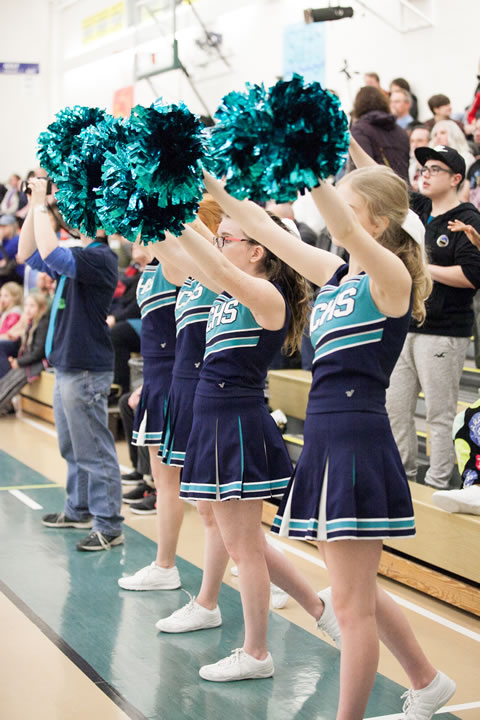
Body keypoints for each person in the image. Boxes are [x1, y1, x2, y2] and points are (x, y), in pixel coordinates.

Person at [203, 163, 454, 718]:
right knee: (355, 591)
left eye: (346, 203)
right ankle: (428, 681)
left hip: (357, 439)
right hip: (323, 437)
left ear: (378, 221)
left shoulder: (391, 278)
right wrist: (207, 183)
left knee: (350, 604)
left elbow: (345, 230)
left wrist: (313, 165)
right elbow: (262, 228)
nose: (332, 211)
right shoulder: (340, 277)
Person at [17, 177, 124, 551]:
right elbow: (26, 254)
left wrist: (45, 204)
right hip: (68, 363)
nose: (70, 216)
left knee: (93, 448)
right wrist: (35, 204)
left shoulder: (98, 258)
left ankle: (109, 524)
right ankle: (78, 508)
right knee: (73, 446)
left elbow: (50, 252)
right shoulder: (78, 255)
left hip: (85, 367)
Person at [386, 146, 480, 489]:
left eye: (435, 168)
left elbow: (472, 275)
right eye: (423, 167)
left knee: (439, 416)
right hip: (406, 324)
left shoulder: (468, 219)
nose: (425, 173)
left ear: (456, 178)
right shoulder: (420, 208)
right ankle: (403, 480)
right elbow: (381, 182)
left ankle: (439, 482)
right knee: (396, 409)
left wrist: (424, 269)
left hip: (444, 331)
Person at [0, 291, 49, 415]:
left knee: (11, 383)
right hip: (28, 360)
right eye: (26, 305)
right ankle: (5, 407)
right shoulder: (31, 322)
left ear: (41, 308)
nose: (27, 309)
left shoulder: (43, 323)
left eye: (32, 306)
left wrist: (19, 361)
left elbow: (38, 352)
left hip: (38, 362)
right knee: (6, 380)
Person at [348, 86, 410, 181]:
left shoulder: (360, 130)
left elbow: (361, 170)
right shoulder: (400, 131)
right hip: (402, 190)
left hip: (377, 191)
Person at [408, 124, 431, 189]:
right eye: (412, 141)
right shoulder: (410, 166)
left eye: (419, 141)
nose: (414, 145)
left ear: (430, 142)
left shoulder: (435, 168)